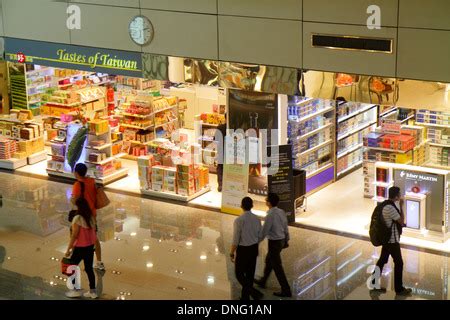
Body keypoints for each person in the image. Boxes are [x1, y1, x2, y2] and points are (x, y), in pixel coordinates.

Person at [373, 186, 412, 296]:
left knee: (382, 261)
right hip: (392, 241)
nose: (400, 195)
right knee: (399, 263)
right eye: (399, 194)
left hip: (387, 240)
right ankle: (399, 289)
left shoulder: (386, 205)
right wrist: (401, 206)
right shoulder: (390, 208)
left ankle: (374, 283)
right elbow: (401, 221)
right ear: (396, 196)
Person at [255, 193, 292, 298]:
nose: (265, 201)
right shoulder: (281, 212)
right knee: (269, 260)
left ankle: (286, 289)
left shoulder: (270, 215)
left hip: (274, 243)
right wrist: (287, 239)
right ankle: (263, 281)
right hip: (281, 241)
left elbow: (264, 231)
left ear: (269, 203)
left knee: (277, 267)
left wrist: (255, 241)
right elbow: (285, 227)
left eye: (266, 200)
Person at [71, 163, 105, 271]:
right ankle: (99, 261)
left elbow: (75, 200)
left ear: (76, 173)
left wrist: (72, 199)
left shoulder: (77, 185)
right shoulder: (91, 181)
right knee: (94, 237)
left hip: (82, 215)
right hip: (92, 214)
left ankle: (74, 258)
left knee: (76, 235)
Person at [230, 197, 263, 300]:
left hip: (243, 250)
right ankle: (245, 298)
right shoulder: (257, 219)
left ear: (241, 206)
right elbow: (260, 235)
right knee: (249, 274)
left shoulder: (239, 220)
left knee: (239, 274)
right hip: (253, 249)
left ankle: (254, 292)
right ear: (252, 206)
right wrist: (255, 243)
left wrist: (232, 252)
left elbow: (236, 239)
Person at [65, 196, 98, 299]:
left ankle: (75, 290)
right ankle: (93, 292)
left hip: (80, 247)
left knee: (71, 267)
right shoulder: (90, 216)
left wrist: (69, 249)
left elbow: (75, 235)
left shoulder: (77, 218)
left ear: (78, 206)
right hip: (90, 246)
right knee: (89, 269)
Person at [215, 114, 227, 192]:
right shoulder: (235, 128)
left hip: (221, 151)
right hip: (230, 153)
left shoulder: (220, 127)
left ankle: (221, 185)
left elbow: (215, 140)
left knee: (220, 167)